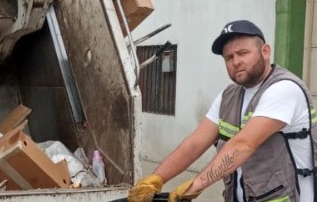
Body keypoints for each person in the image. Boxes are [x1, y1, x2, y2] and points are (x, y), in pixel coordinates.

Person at [128, 20, 317, 202]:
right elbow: (195, 143)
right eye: (229, 57)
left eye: (243, 53)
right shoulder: (229, 95)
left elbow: (243, 145)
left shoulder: (284, 89)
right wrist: (157, 179)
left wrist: (196, 185)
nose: (236, 61)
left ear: (265, 51)